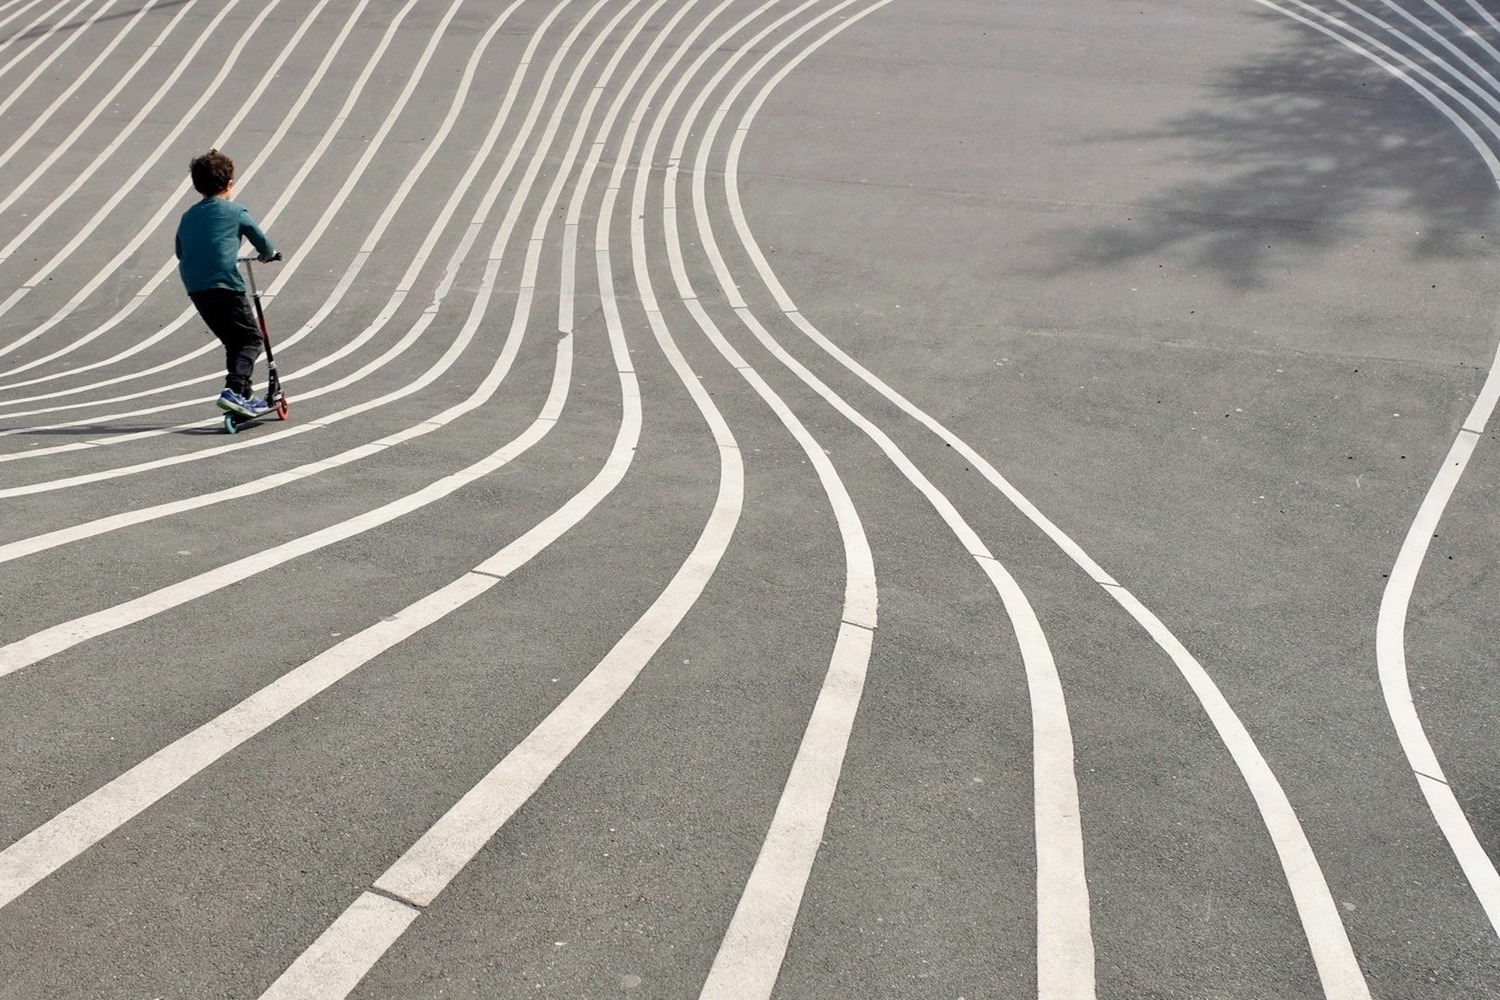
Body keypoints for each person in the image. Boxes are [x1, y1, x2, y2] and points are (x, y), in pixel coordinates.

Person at [175, 149, 280, 417]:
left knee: (233, 341)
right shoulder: (235, 211)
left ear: (198, 187)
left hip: (196, 288)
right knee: (251, 339)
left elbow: (180, 250)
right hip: (224, 284)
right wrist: (268, 256)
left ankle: (244, 394)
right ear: (230, 184)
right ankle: (233, 390)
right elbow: (262, 242)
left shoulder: (188, 215)